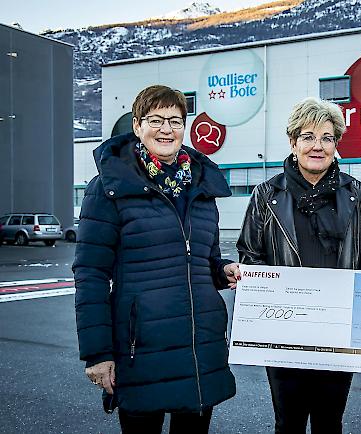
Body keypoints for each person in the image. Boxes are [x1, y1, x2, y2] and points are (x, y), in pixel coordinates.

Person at [73, 85, 241, 434]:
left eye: (176, 120)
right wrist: (98, 353)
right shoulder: (109, 187)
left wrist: (221, 269)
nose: (167, 129)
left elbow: (203, 257)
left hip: (199, 347)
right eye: (156, 119)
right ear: (137, 125)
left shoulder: (201, 188)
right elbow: (90, 273)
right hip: (141, 349)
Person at [236, 97, 361, 433]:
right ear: (293, 142)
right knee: (287, 423)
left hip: (338, 331)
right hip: (284, 333)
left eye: (327, 138)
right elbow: (250, 254)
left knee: (330, 422)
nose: (318, 146)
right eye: (308, 136)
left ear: (336, 144)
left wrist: (354, 294)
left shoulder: (355, 194)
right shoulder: (266, 195)